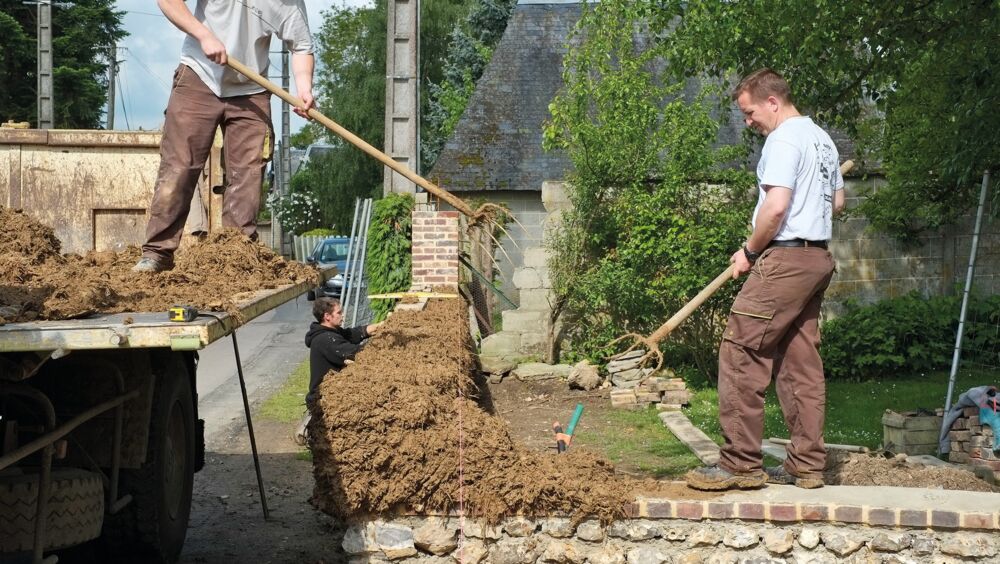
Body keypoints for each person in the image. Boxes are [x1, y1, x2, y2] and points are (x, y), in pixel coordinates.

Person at [685, 68, 845, 491]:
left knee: (741, 351)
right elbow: (839, 203)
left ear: (772, 101)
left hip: (785, 259)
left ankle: (739, 463)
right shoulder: (823, 140)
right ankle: (807, 464)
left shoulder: (784, 139)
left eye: (750, 111)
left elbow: (775, 209)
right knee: (800, 363)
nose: (749, 121)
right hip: (817, 259)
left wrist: (751, 250)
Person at [133, 0, 315, 272]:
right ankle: (157, 253)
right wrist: (204, 34)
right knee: (179, 169)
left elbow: (301, 46)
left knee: (248, 176)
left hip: (252, 88)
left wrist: (304, 88)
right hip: (198, 76)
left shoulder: (290, 3)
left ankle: (237, 258)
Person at [305, 297, 382, 406]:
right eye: (339, 312)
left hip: (334, 390)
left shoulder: (331, 331)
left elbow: (350, 334)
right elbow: (355, 352)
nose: (343, 315)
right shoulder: (326, 339)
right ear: (327, 316)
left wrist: (373, 328)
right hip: (323, 399)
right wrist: (382, 343)